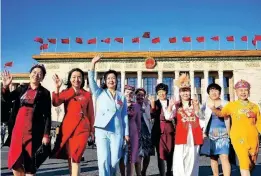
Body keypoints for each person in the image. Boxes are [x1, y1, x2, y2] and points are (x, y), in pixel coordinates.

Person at [1, 65, 51, 176]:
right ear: (29, 74)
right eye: (34, 72)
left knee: (30, 163)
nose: (36, 75)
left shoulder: (45, 93)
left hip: (33, 131)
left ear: (42, 78)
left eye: (40, 74)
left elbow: (47, 115)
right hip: (17, 129)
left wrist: (46, 134)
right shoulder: (21, 88)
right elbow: (7, 99)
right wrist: (5, 87)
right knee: (15, 161)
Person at [88, 54, 129, 176]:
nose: (111, 80)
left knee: (115, 159)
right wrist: (93, 64)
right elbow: (91, 80)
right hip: (102, 130)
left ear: (116, 81)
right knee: (103, 159)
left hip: (117, 130)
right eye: (109, 78)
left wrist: (126, 134)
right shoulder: (99, 93)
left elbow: (124, 115)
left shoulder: (121, 96)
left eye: (113, 78)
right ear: (105, 81)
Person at [209, 80, 261, 176]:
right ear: (236, 92)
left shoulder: (255, 106)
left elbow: (259, 123)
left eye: (245, 90)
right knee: (244, 163)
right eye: (240, 90)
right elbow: (221, 113)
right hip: (238, 138)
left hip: (253, 138)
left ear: (249, 92)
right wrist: (213, 109)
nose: (243, 92)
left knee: (252, 163)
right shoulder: (232, 105)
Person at [51, 68, 94, 176]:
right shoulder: (66, 92)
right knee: (71, 157)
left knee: (76, 156)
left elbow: (91, 114)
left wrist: (92, 131)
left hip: (82, 128)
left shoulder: (87, 94)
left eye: (79, 77)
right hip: (68, 129)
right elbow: (56, 102)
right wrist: (57, 88)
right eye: (74, 77)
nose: (76, 79)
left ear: (83, 79)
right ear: (70, 79)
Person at [165, 73, 203, 176]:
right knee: (179, 160)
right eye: (183, 91)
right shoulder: (176, 105)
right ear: (180, 93)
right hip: (181, 135)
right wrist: (170, 106)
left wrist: (197, 108)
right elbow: (168, 116)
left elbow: (202, 118)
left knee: (193, 159)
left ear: (190, 92)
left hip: (194, 135)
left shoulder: (195, 102)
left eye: (187, 91)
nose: (185, 93)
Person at [201, 83, 231, 176]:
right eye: (211, 90)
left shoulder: (226, 103)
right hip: (210, 133)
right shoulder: (206, 104)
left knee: (224, 157)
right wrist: (203, 132)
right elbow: (201, 117)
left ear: (220, 92)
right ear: (208, 93)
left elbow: (227, 116)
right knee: (213, 158)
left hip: (224, 134)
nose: (214, 92)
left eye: (216, 90)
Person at [150, 83, 175, 176]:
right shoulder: (155, 103)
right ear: (157, 93)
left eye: (163, 91)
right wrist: (152, 106)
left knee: (170, 152)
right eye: (159, 92)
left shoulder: (171, 102)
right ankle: (162, 173)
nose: (161, 94)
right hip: (158, 131)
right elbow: (152, 116)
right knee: (160, 154)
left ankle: (169, 171)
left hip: (169, 130)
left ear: (166, 92)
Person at [120, 85, 141, 176]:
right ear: (123, 93)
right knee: (121, 156)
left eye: (131, 93)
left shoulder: (136, 106)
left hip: (133, 133)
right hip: (120, 132)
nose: (129, 94)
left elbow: (138, 121)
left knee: (131, 157)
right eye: (127, 92)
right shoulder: (119, 103)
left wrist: (138, 133)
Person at [135, 88, 154, 176]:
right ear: (136, 96)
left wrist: (146, 106)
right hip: (136, 133)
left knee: (147, 155)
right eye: (138, 95)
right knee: (138, 155)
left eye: (142, 95)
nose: (140, 97)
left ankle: (144, 171)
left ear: (144, 96)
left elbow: (149, 117)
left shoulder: (147, 105)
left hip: (146, 132)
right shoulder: (132, 105)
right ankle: (139, 174)